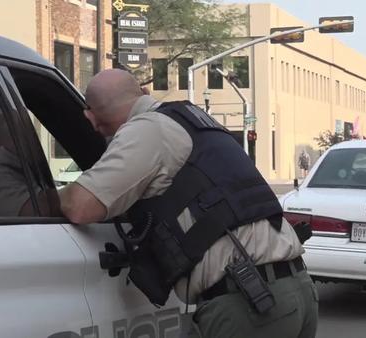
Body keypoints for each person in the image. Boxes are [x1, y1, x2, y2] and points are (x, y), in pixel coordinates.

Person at [58, 69, 318, 338]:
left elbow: (80, 206)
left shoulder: (147, 129)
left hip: (250, 304)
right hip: (296, 290)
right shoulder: (193, 120)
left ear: (91, 118)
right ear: (144, 94)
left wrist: (43, 195)